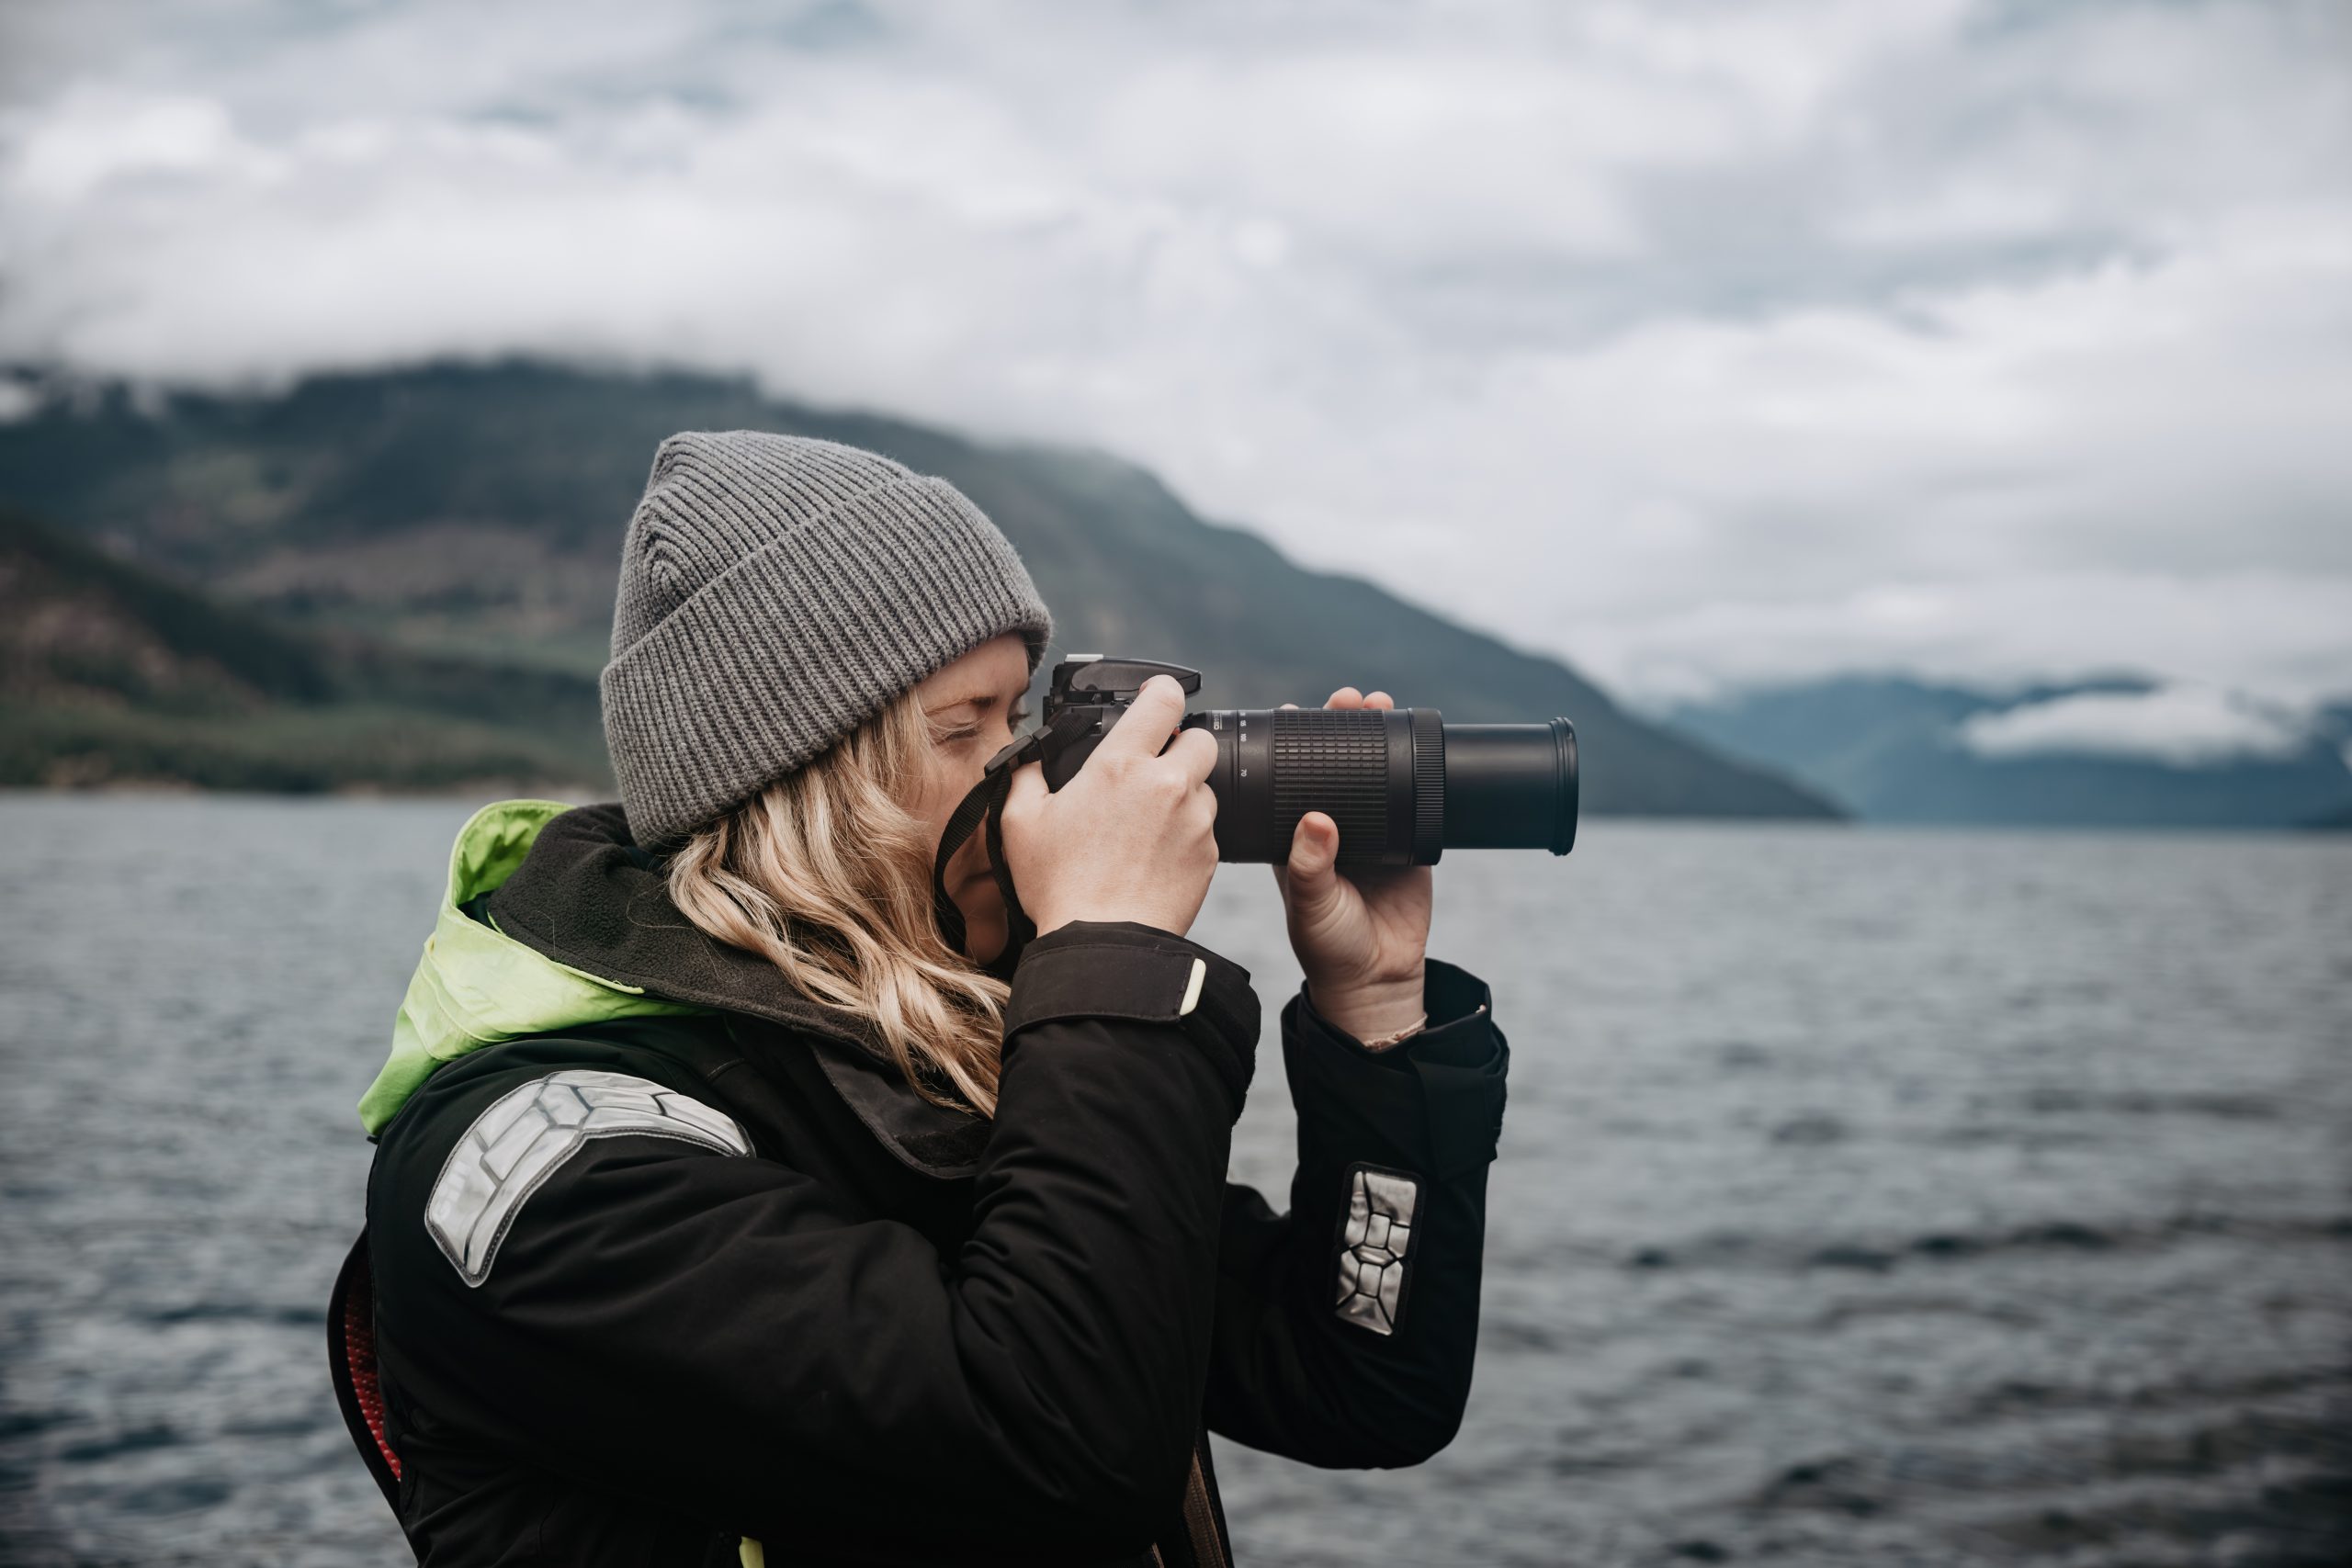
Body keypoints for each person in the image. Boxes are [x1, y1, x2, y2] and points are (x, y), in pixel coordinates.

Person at [331, 432, 1511, 1566]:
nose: (1033, 773)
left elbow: (1359, 1382)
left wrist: (1377, 1010)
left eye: (1021, 716)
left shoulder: (908, 1069)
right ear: (801, 782)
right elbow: (1055, 1453)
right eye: (966, 729)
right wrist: (1109, 956)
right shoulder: (547, 1171)